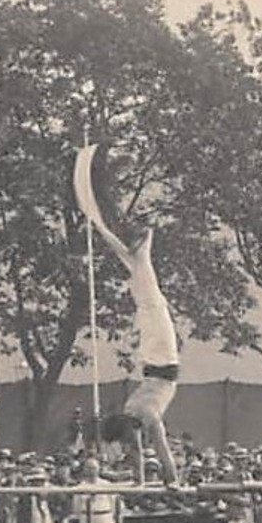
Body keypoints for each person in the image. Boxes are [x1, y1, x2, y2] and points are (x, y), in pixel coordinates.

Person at [75, 145, 182, 484]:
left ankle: (143, 247)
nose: (129, 444)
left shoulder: (141, 415)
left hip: (158, 362)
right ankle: (142, 250)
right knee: (147, 297)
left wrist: (167, 478)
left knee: (146, 297)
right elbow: (151, 450)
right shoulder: (136, 415)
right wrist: (158, 481)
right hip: (159, 361)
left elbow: (157, 450)